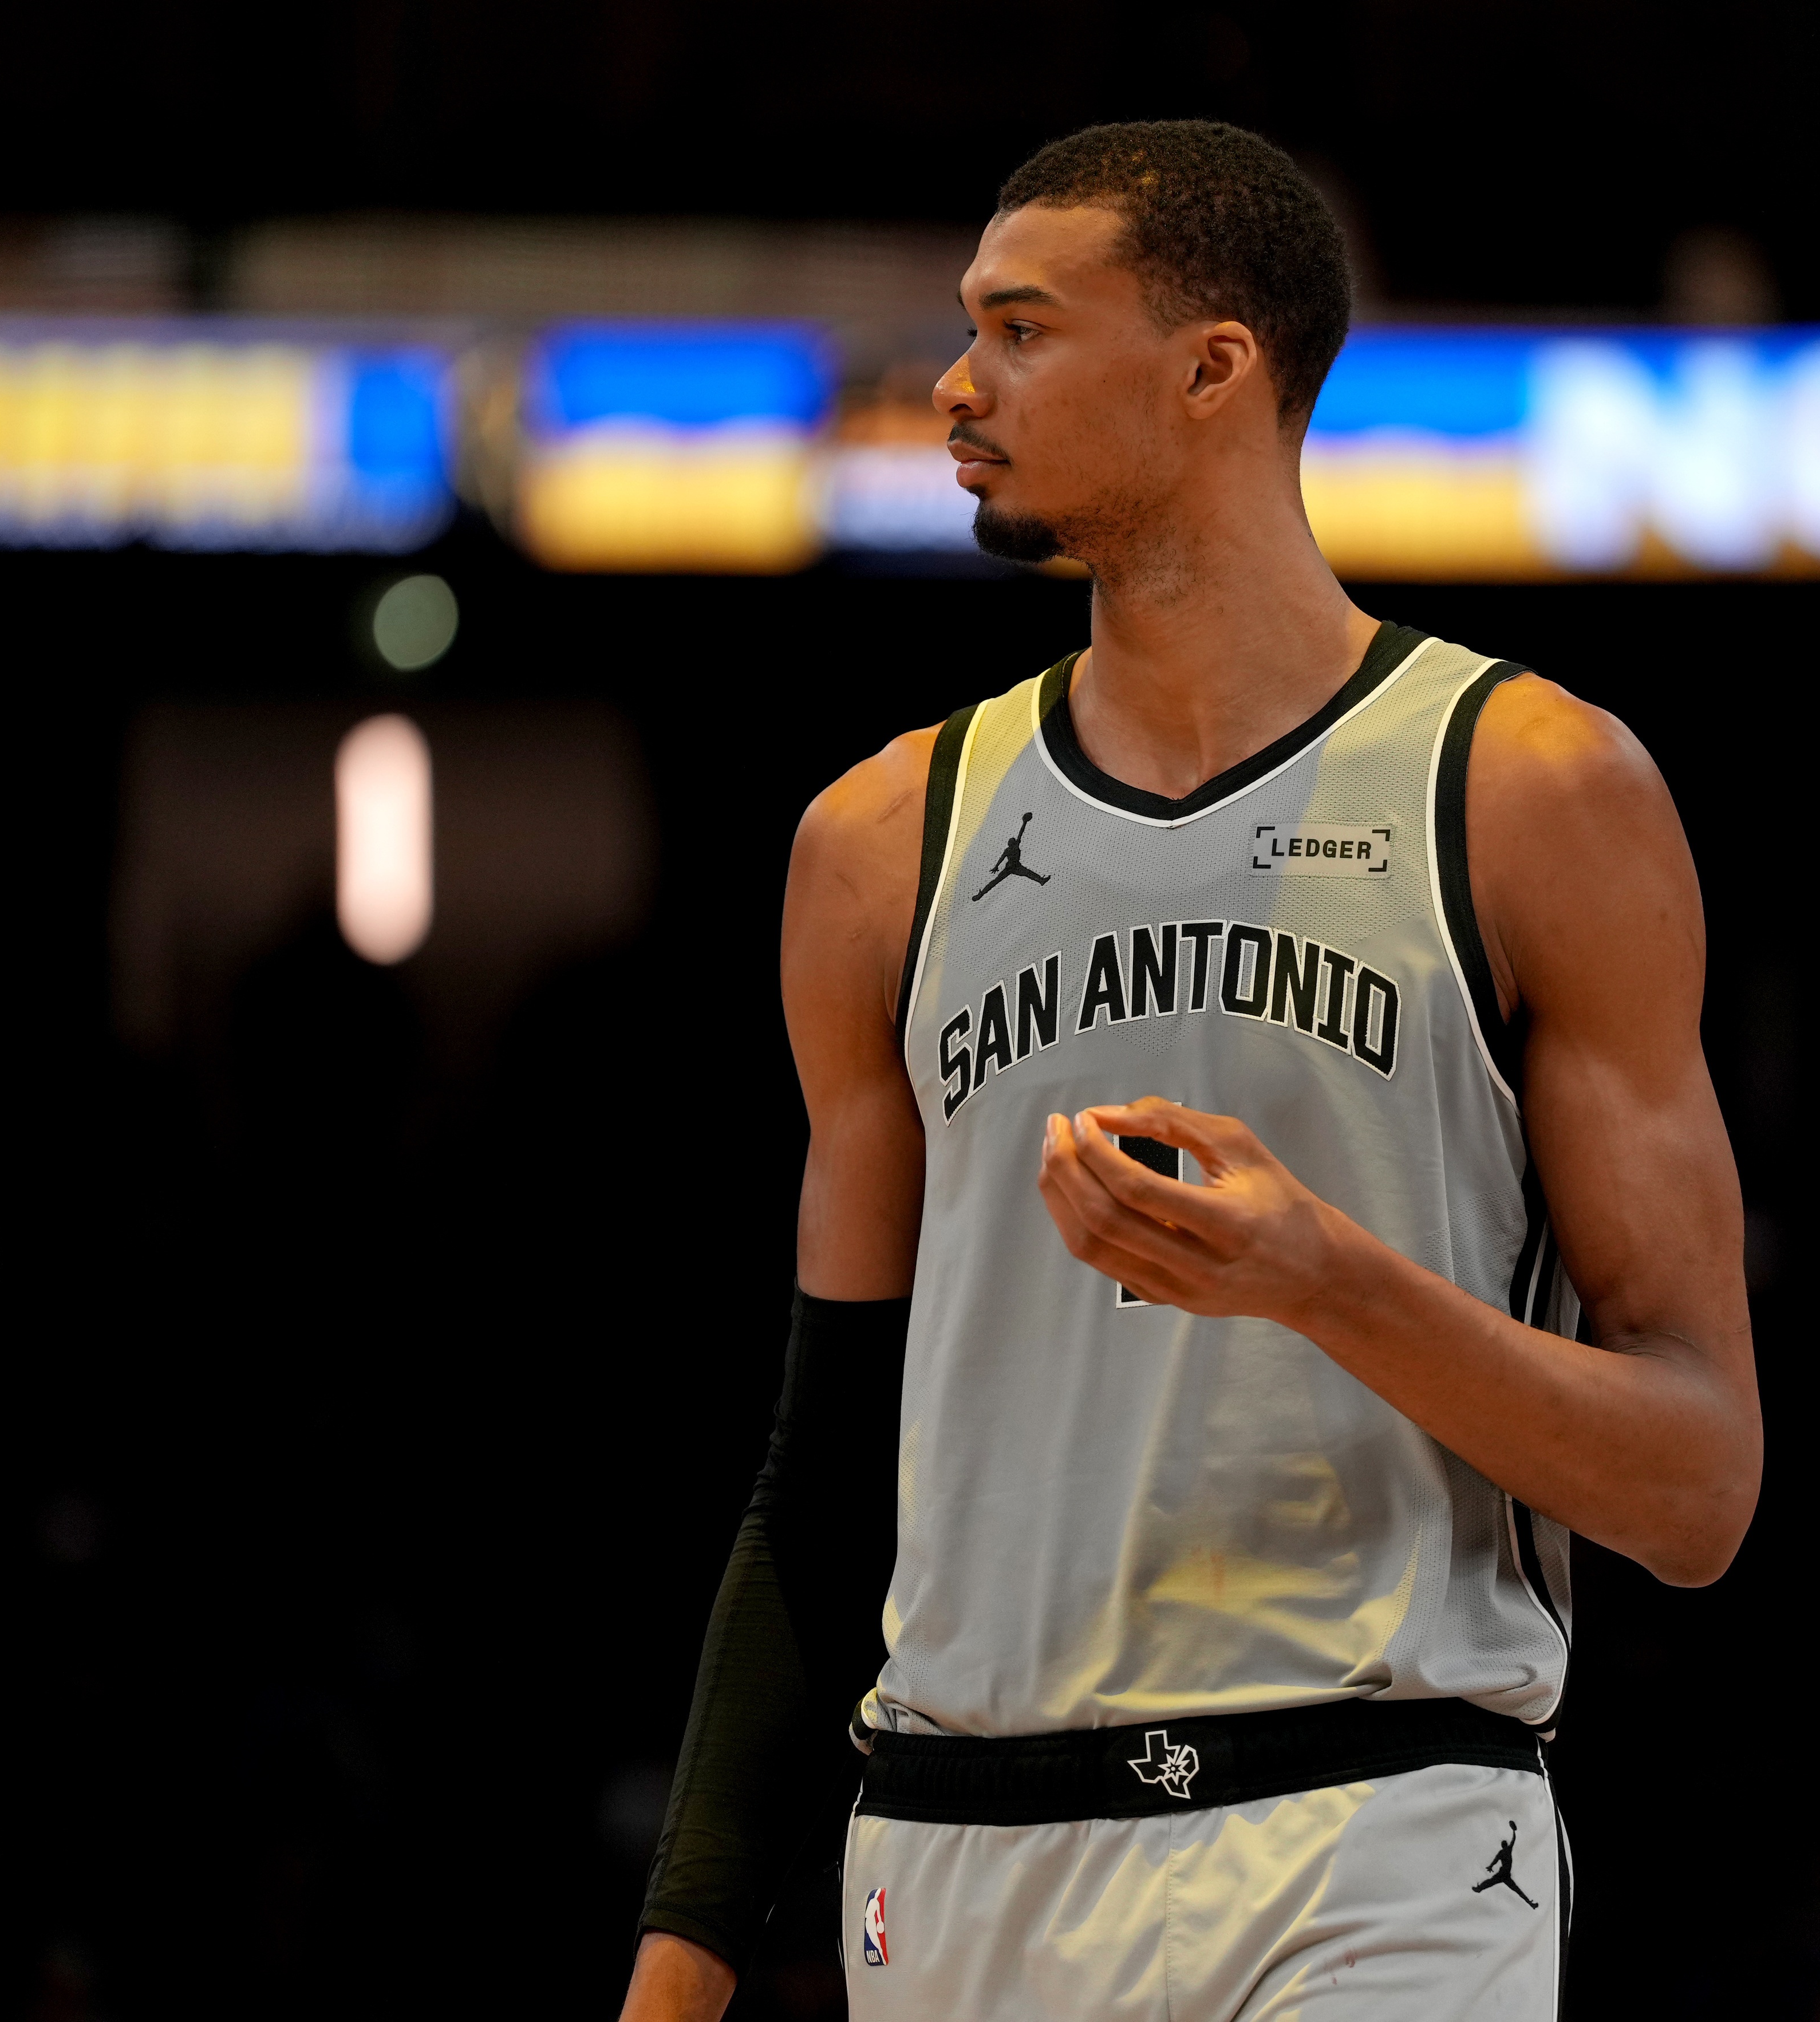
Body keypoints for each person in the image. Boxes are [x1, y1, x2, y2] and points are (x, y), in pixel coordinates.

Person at [621, 119, 1760, 2021]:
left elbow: (1697, 1484)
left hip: (1379, 1825)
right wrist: (679, 1964)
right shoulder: (878, 842)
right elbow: (823, 1480)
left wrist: (1328, 1281)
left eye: (1020, 331)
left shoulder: (1529, 788)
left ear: (1212, 367)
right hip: (959, 1849)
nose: (957, 384)